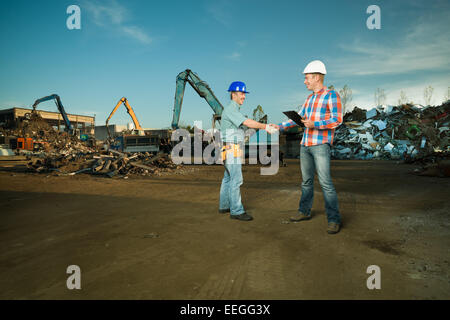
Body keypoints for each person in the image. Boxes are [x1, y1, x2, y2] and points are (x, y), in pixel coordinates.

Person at [276, 60, 343, 234]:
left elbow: (337, 120)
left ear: (316, 77)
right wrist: (279, 126)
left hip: (320, 145)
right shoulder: (309, 98)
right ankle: (303, 211)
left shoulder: (331, 95)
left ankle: (334, 220)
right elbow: (298, 119)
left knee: (326, 183)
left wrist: (315, 124)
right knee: (306, 182)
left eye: (307, 78)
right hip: (305, 145)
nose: (305, 81)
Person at [219, 81, 278, 221]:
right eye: (241, 93)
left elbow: (243, 128)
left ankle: (224, 205)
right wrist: (265, 126)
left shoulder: (232, 111)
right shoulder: (231, 109)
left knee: (227, 178)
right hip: (231, 149)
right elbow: (247, 122)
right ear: (233, 94)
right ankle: (236, 211)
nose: (244, 96)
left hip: (228, 148)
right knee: (236, 180)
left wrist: (248, 132)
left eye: (244, 94)